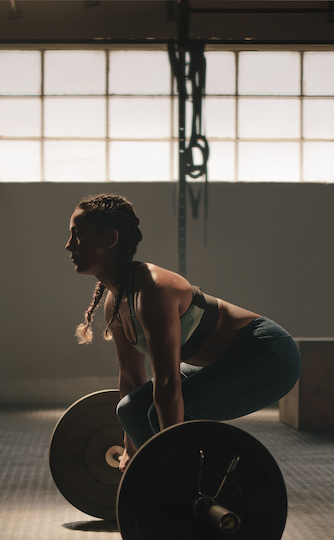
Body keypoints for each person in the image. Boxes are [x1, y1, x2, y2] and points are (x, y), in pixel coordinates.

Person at [67, 193, 301, 470]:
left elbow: (167, 384)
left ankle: (191, 482)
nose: (69, 245)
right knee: (130, 410)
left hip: (269, 356)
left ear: (109, 240)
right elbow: (131, 378)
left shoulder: (153, 289)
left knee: (165, 416)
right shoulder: (115, 302)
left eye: (78, 235)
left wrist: (176, 461)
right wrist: (132, 450)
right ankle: (161, 478)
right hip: (221, 363)